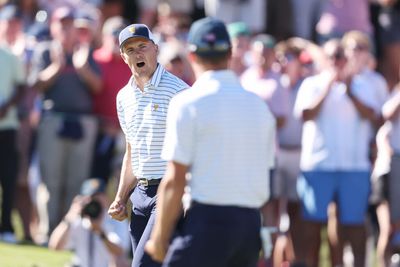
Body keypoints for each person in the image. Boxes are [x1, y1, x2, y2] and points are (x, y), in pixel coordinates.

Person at [145, 17, 276, 267]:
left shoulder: (187, 103)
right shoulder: (259, 107)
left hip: (208, 221)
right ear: (229, 54)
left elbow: (174, 178)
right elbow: (266, 172)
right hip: (248, 225)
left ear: (192, 55)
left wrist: (160, 238)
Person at [107, 23, 189, 267]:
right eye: (130, 50)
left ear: (156, 49)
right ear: (123, 57)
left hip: (170, 191)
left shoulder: (179, 93)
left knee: (143, 265)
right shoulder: (124, 97)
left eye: (143, 46)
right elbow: (132, 151)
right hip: (140, 196)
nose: (137, 54)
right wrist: (121, 197)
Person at [29, 6, 101, 234]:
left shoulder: (87, 52)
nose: (66, 28)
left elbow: (98, 87)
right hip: (53, 119)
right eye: (61, 23)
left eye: (70, 23)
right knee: (51, 182)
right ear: (53, 25)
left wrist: (82, 68)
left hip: (82, 121)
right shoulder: (45, 50)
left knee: (75, 182)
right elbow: (36, 84)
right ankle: (48, 232)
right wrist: (56, 68)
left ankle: (69, 234)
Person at [49, 178, 131, 267]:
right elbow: (55, 247)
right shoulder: (77, 219)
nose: (92, 202)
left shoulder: (115, 217)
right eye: (89, 198)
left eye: (97, 197)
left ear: (105, 198)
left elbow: (120, 252)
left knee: (120, 261)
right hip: (82, 265)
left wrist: (100, 232)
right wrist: (69, 218)